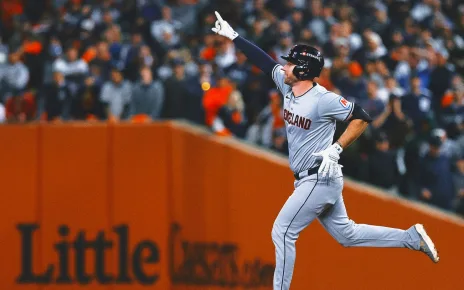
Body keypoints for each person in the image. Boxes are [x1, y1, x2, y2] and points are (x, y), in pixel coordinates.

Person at [211, 11, 439, 290]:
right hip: (311, 178)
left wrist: (337, 148)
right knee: (347, 234)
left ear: (304, 70)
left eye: (291, 64)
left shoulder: (323, 99)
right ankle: (410, 238)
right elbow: (264, 62)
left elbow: (362, 115)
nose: (284, 67)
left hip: (319, 175)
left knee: (282, 231)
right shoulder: (287, 85)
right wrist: (234, 37)